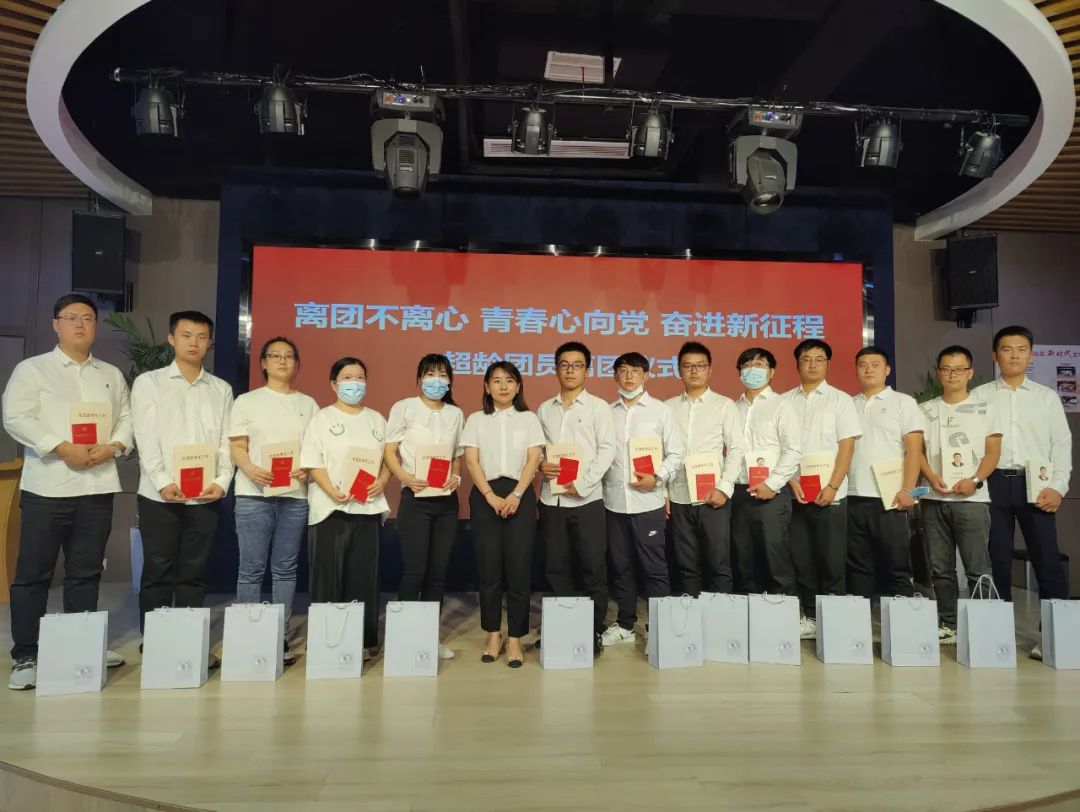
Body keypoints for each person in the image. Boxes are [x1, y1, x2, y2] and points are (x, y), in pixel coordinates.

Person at [2, 294, 132, 690]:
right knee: (33, 574)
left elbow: (126, 418)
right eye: (71, 317)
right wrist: (61, 447)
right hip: (48, 487)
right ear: (55, 324)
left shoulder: (110, 374)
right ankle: (27, 654)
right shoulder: (33, 370)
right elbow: (16, 417)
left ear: (95, 326)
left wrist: (115, 446)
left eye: (88, 318)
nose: (80, 324)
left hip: (97, 486)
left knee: (86, 572)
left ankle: (81, 646)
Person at [131, 311, 234, 659]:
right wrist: (162, 481)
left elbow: (226, 442)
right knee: (157, 569)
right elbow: (145, 437)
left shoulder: (221, 389)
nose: (194, 343)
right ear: (171, 339)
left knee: (194, 572)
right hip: (159, 496)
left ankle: (190, 639)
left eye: (202, 337)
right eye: (187, 335)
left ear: (210, 343)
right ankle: (157, 641)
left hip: (204, 496)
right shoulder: (149, 383)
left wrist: (221, 481)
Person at [973, 326, 1072, 659]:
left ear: (1031, 355)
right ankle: (996, 637)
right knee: (995, 560)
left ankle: (1055, 638)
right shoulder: (980, 396)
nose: (1014, 355)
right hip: (993, 484)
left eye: (1021, 349)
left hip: (1037, 485)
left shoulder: (1046, 397)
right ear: (994, 355)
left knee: (1047, 560)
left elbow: (1061, 445)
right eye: (1006, 348)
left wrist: (1058, 487)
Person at [228, 337, 317, 665]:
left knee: (285, 568)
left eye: (289, 356)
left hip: (294, 495)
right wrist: (251, 469)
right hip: (254, 494)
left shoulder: (308, 404)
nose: (282, 361)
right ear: (263, 362)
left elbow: (314, 449)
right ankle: (249, 635)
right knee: (251, 568)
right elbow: (237, 446)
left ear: (297, 364)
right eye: (275, 355)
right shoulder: (247, 401)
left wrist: (306, 468)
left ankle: (279, 635)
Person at [302, 357, 389, 657]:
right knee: (327, 578)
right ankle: (327, 644)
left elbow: (388, 460)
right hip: (330, 508)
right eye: (348, 377)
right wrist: (331, 489)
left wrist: (382, 481)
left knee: (363, 577)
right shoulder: (322, 418)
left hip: (367, 507)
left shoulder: (377, 420)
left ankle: (363, 642)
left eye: (360, 377)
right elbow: (312, 460)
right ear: (334, 384)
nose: (355, 383)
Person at [461, 361, 544, 667]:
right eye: (496, 381)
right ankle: (493, 634)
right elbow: (472, 461)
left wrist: (516, 495)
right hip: (486, 495)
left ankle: (516, 638)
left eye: (509, 380)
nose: (503, 386)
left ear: (518, 386)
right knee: (489, 569)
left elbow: (533, 459)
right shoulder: (475, 419)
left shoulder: (529, 419)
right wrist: (490, 496)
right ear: (487, 387)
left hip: (519, 495)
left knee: (519, 570)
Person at [537, 341, 617, 656]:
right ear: (556, 369)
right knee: (556, 567)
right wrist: (541, 464)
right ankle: (562, 627)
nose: (570, 370)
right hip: (552, 500)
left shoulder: (598, 408)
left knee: (593, 567)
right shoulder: (545, 409)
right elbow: (539, 450)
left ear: (587, 370)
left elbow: (607, 450)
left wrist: (582, 483)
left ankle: (592, 630)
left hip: (587, 500)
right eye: (565, 364)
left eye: (577, 365)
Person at [918, 345, 1001, 644]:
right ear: (938, 372)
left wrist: (975, 480)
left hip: (972, 501)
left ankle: (985, 627)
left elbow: (993, 453)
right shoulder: (924, 410)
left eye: (959, 369)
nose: (952, 375)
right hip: (934, 499)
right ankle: (948, 623)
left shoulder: (986, 409)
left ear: (970, 372)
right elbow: (917, 453)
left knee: (978, 567)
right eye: (946, 369)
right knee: (940, 568)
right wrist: (930, 477)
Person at [601, 352, 684, 647]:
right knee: (621, 567)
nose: (629, 376)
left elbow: (676, 453)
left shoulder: (661, 411)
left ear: (646, 376)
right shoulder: (606, 412)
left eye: (635, 370)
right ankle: (625, 624)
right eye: (622, 370)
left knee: (654, 568)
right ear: (615, 376)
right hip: (613, 502)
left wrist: (658, 478)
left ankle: (659, 629)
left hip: (648, 502)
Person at [384, 354, 464, 660]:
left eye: (443, 375)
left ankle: (429, 639)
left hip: (446, 502)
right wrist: (405, 477)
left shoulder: (455, 413)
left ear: (450, 380)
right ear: (419, 379)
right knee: (414, 572)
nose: (436, 380)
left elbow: (456, 455)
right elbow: (389, 450)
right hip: (415, 500)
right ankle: (404, 639)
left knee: (438, 574)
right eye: (430, 374)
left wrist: (456, 476)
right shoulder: (404, 407)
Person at [782, 339, 862, 639]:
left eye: (819, 359)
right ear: (797, 364)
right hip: (795, 493)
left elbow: (847, 447)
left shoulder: (841, 400)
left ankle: (834, 621)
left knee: (831, 561)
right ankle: (811, 617)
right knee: (801, 559)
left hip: (831, 496)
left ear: (828, 364)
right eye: (806, 359)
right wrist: (790, 480)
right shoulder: (784, 401)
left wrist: (833, 485)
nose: (812, 364)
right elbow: (778, 447)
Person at [664, 341, 744, 597]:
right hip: (678, 496)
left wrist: (724, 488)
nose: (694, 371)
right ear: (679, 370)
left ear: (710, 370)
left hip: (713, 497)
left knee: (718, 564)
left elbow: (736, 450)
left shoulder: (724, 405)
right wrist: (663, 492)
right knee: (686, 566)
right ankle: (690, 619)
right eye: (688, 366)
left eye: (700, 366)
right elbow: (662, 453)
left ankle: (719, 618)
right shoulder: (667, 407)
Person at [846, 346, 924, 599]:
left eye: (875, 365)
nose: (868, 370)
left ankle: (904, 621)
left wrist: (908, 490)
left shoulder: (903, 402)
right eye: (863, 365)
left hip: (889, 498)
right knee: (858, 567)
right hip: (852, 495)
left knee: (896, 566)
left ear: (887, 369)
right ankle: (860, 620)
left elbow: (914, 450)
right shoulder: (848, 404)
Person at [731, 348, 802, 596]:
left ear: (772, 372)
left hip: (772, 493)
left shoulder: (782, 406)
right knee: (743, 559)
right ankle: (748, 614)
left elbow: (793, 451)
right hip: (738, 491)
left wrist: (772, 484)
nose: (753, 370)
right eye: (747, 365)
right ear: (740, 372)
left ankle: (782, 614)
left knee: (775, 559)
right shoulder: (732, 408)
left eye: (760, 365)